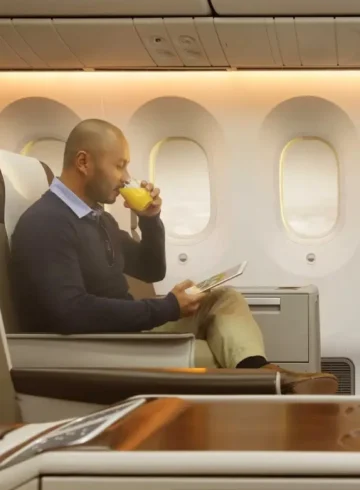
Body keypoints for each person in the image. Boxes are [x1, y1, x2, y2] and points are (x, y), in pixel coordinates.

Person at [10, 119, 338, 394]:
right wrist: (167, 307)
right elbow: (69, 312)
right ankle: (268, 386)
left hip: (119, 332)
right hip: (94, 344)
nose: (126, 177)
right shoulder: (46, 223)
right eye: (119, 165)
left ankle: (261, 374)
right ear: (84, 162)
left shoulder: (98, 218)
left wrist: (151, 219)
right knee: (206, 352)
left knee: (223, 297)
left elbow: (150, 269)